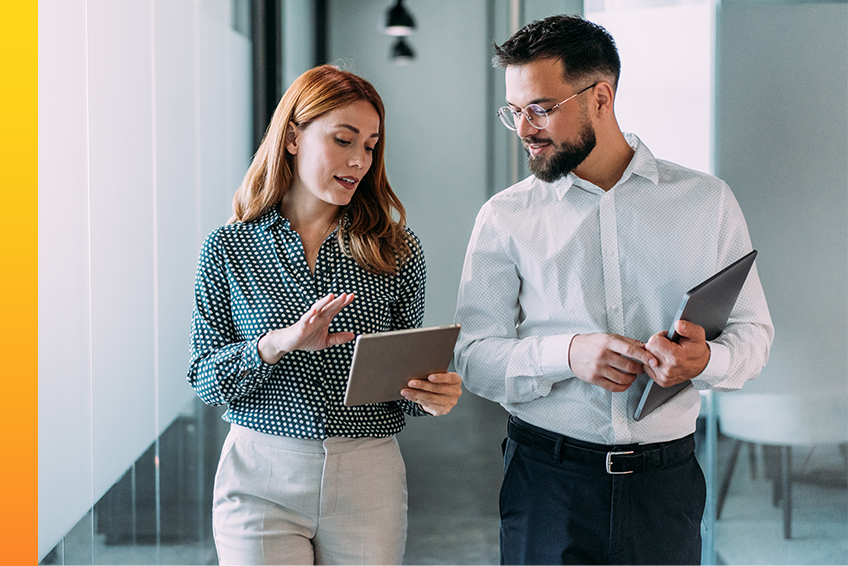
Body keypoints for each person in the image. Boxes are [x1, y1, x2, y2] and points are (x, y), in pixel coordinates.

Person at [453, 15, 774, 566]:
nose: (526, 128)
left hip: (665, 486)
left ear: (600, 97)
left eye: (541, 108)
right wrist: (568, 354)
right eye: (515, 112)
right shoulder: (505, 217)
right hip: (546, 485)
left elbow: (754, 336)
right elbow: (472, 358)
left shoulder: (706, 202)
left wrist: (704, 361)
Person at [188, 64, 462, 566]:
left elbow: (404, 389)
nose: (359, 160)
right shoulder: (228, 248)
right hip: (260, 472)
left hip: (367, 475)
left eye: (371, 145)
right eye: (343, 139)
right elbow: (206, 379)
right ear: (293, 137)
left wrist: (432, 395)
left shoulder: (396, 250)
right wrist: (276, 343)